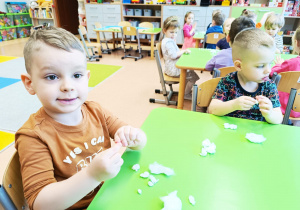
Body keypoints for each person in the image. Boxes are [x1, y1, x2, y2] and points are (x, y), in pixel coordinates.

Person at [15, 26, 147, 210]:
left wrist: (135, 136)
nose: (67, 86)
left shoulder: (96, 111)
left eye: (76, 75)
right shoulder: (32, 136)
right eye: (52, 76)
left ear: (86, 78)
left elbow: (137, 143)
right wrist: (92, 175)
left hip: (111, 195)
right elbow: (40, 203)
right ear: (30, 84)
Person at [208, 28, 283, 124]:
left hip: (257, 135)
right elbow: (213, 109)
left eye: (270, 64)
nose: (268, 70)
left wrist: (270, 113)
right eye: (260, 66)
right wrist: (234, 105)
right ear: (239, 65)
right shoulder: (228, 81)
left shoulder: (269, 86)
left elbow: (278, 119)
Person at [161, 16, 199, 100]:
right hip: (173, 70)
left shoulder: (168, 40)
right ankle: (186, 93)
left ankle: (185, 91)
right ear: (164, 31)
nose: (174, 35)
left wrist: (182, 51)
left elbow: (175, 52)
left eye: (176, 32)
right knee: (192, 76)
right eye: (171, 32)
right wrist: (183, 51)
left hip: (171, 67)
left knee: (190, 71)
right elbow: (173, 55)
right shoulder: (168, 43)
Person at [270, 26, 300, 121]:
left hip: (285, 109)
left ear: (297, 43)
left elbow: (272, 74)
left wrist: (278, 65)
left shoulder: (292, 63)